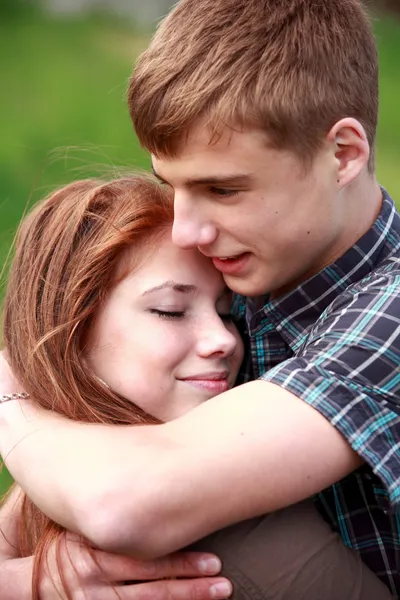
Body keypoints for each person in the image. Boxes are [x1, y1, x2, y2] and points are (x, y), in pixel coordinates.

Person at [0, 0, 399, 597]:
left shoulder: (388, 311)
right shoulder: (240, 277)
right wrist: (37, 582)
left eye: (223, 188)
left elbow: (125, 505)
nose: (187, 231)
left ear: (343, 154)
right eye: (173, 185)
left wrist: (13, 387)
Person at [1, 174, 388, 600]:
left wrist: (12, 399)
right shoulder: (54, 474)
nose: (223, 339)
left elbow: (117, 506)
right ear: (69, 332)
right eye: (171, 311)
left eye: (227, 313)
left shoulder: (214, 516)